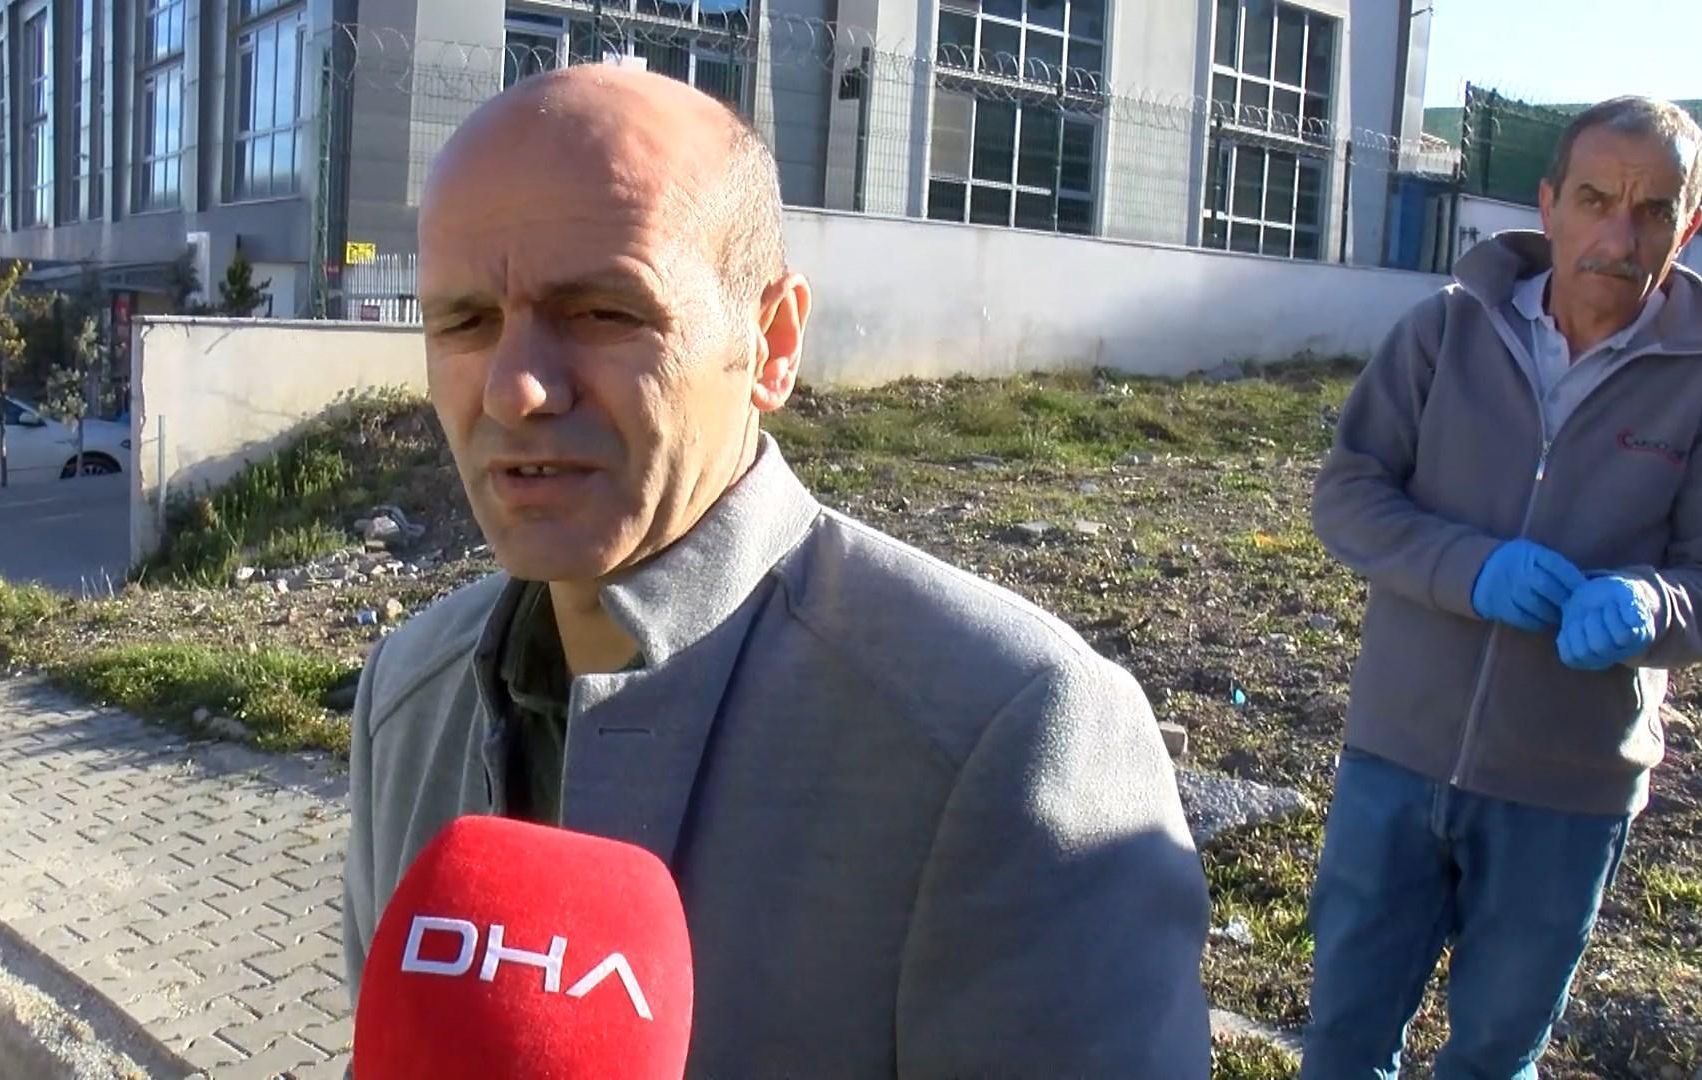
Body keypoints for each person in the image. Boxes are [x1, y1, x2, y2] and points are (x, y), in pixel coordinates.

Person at [340, 65, 1213, 1077]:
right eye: (464, 322)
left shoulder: (1009, 735)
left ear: (773, 341)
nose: (515, 388)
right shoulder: (409, 694)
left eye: (602, 313)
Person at [1305, 95, 1702, 1078]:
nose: (1619, 236)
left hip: (1568, 789)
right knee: (1345, 1040)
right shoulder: (1447, 329)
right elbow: (1350, 495)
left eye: (1653, 211)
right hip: (1397, 752)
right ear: (1550, 202)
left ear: (1689, 225)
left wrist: (1648, 606)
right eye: (1596, 199)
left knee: (1495, 1054)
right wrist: (1473, 569)